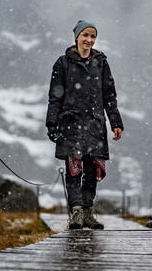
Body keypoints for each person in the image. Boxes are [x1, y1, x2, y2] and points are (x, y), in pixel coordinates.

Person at [46, 20, 124, 229]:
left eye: (93, 36)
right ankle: (77, 213)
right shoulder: (62, 63)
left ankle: (88, 212)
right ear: (77, 37)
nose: (89, 40)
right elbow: (55, 97)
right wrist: (52, 124)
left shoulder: (101, 63)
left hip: (95, 125)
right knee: (73, 171)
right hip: (70, 125)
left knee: (91, 170)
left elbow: (109, 95)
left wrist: (115, 122)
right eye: (85, 35)